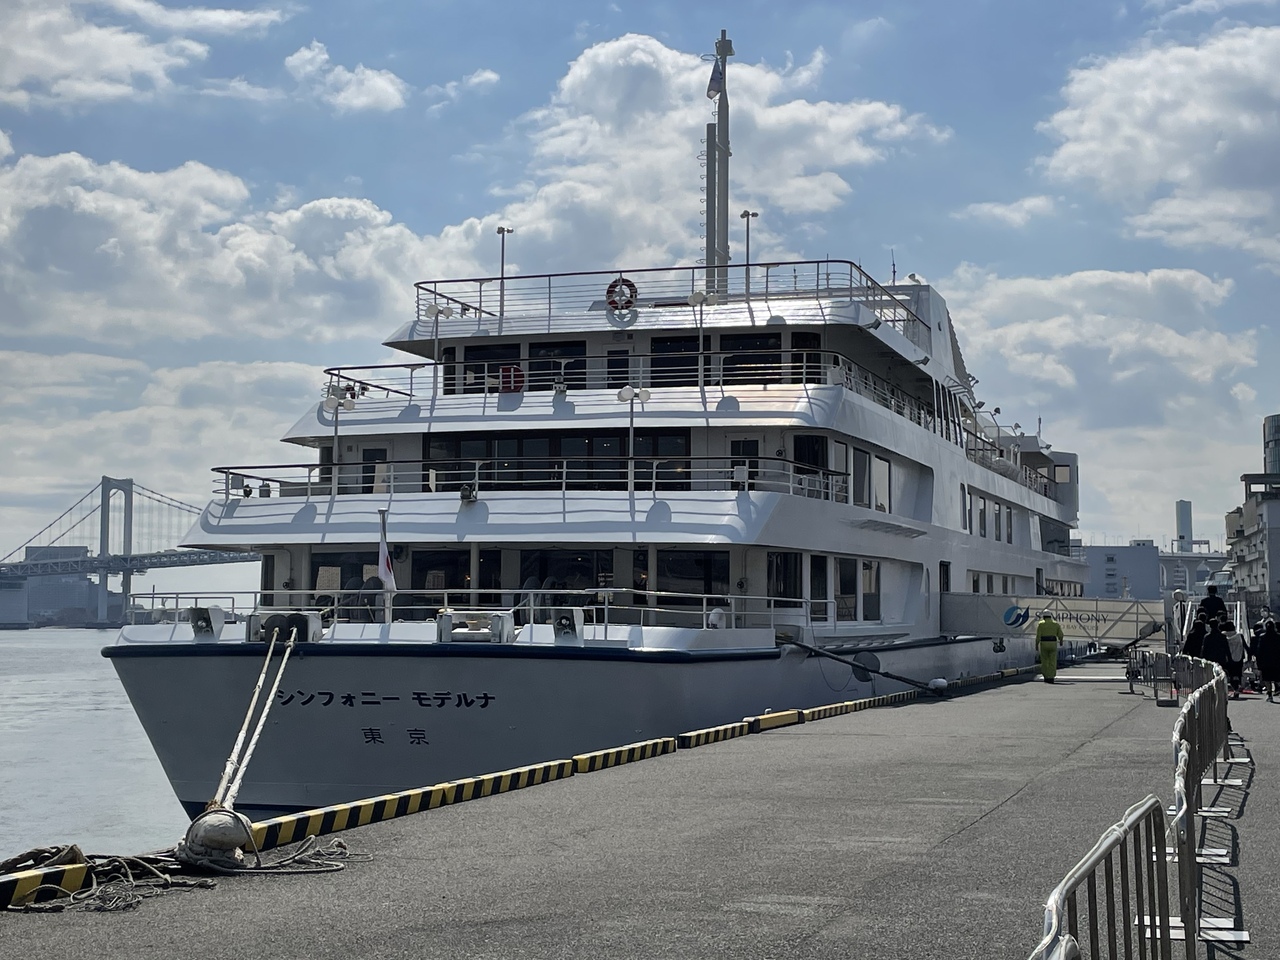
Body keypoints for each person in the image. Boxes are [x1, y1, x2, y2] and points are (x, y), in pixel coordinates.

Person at [1255, 620, 1280, 702]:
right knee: (1277, 678)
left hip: (1266, 661)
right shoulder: (1278, 637)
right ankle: (1277, 689)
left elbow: (1259, 650)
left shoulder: (1262, 637)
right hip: (1276, 661)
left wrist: (1259, 662)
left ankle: (1269, 694)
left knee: (1267, 679)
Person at [1035, 610, 1064, 684]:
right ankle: (1051, 676)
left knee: (1044, 661)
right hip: (1053, 643)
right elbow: (1060, 634)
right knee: (1052, 661)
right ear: (1050, 616)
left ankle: (1046, 676)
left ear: (1044, 616)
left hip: (1044, 643)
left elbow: (1038, 636)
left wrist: (1036, 644)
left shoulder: (1041, 624)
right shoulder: (1055, 624)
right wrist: (1061, 641)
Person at [1224, 621, 1247, 699]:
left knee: (1231, 674)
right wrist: (1249, 654)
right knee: (1237, 674)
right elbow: (1245, 646)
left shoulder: (1224, 636)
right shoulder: (1239, 636)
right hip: (1239, 657)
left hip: (1229, 658)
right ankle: (1236, 689)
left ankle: (1233, 688)